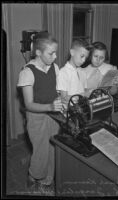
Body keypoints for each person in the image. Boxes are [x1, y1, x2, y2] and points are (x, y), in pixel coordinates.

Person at [17, 32, 63, 188]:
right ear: (38, 52)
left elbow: (56, 91)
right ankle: (34, 175)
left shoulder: (54, 67)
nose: (55, 56)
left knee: (52, 147)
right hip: (36, 116)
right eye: (51, 53)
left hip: (53, 114)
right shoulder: (27, 72)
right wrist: (49, 106)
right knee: (41, 150)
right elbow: (28, 104)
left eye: (56, 52)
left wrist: (60, 100)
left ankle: (47, 179)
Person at [57, 39, 90, 104]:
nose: (83, 60)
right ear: (72, 52)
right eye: (82, 56)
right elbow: (63, 99)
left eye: (86, 58)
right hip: (69, 112)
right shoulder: (63, 72)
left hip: (82, 109)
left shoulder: (83, 71)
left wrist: (91, 92)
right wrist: (83, 95)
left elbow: (85, 91)